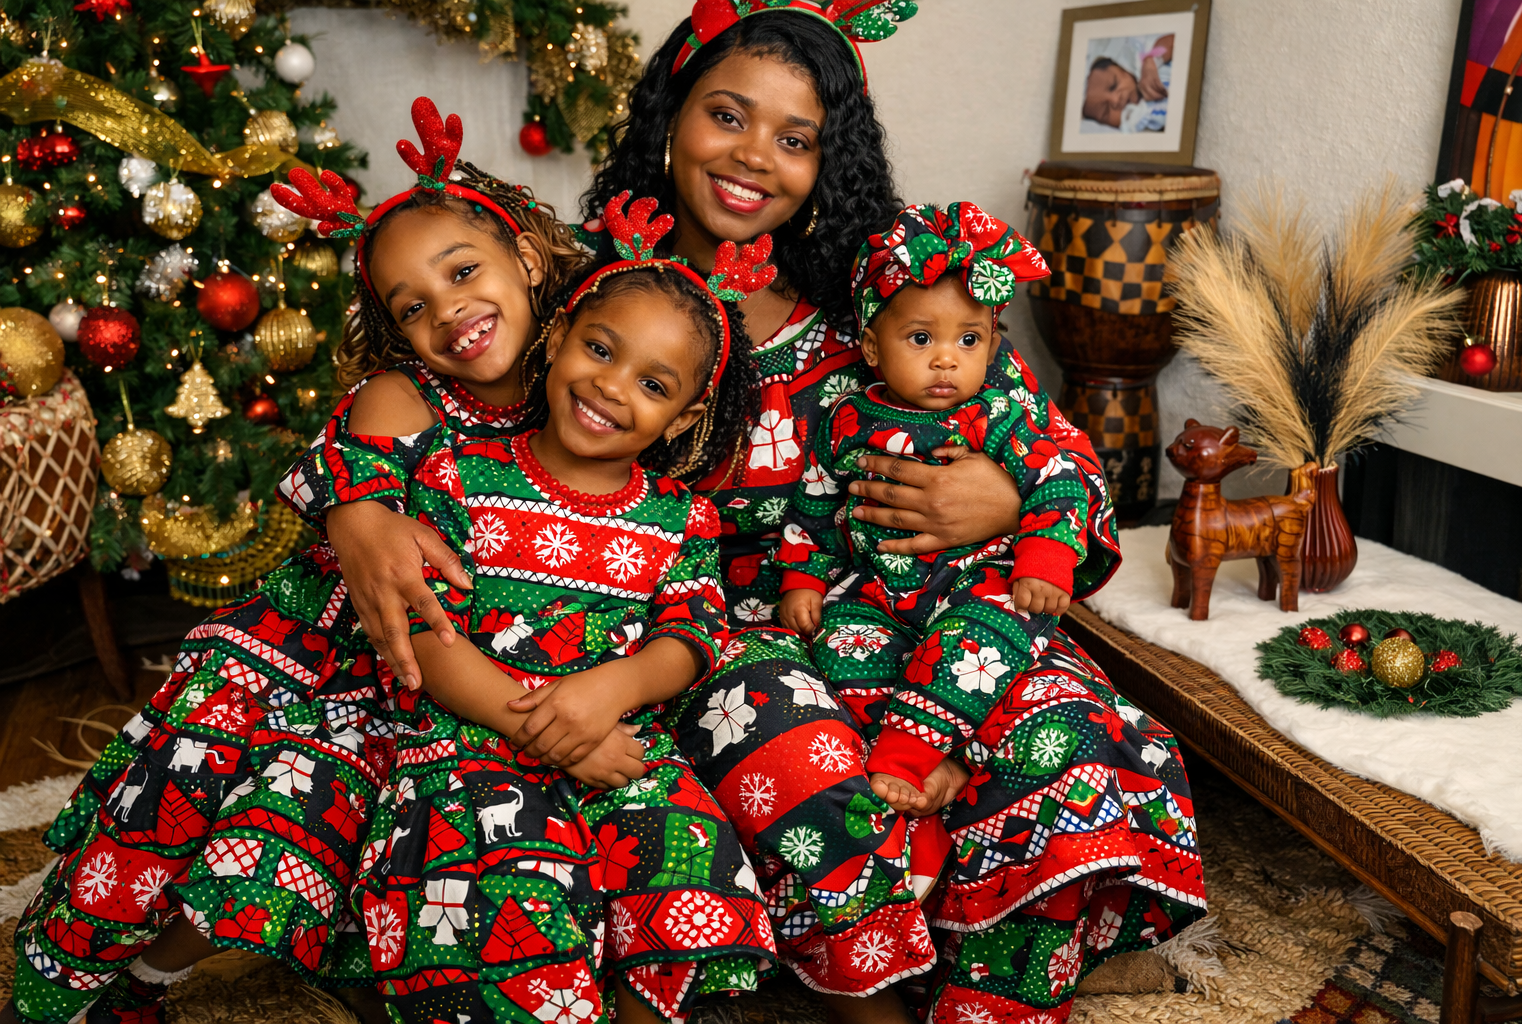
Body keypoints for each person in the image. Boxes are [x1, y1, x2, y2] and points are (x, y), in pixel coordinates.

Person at [307, 5, 1207, 1022]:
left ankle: (1005, 963)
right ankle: (866, 966)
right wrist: (357, 500)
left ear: (832, 161)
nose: (753, 157)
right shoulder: (591, 287)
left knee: (1065, 718)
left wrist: (1004, 494)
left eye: (796, 139)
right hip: (686, 635)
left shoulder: (879, 306)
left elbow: (1062, 455)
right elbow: (426, 371)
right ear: (668, 114)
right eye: (727, 116)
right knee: (784, 729)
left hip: (900, 609)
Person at [2, 100, 587, 1024]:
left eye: (463, 270)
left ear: (526, 257)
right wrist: (363, 509)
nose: (450, 312)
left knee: (290, 866)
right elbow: (356, 469)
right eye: (413, 306)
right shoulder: (404, 395)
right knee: (193, 826)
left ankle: (154, 984)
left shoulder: (580, 390)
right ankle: (69, 984)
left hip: (440, 682)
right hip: (315, 667)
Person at [342, 190, 777, 1024]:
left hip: (615, 737)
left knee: (691, 865)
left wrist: (608, 692)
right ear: (557, 338)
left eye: (651, 383)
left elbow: (692, 634)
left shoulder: (681, 517)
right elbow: (425, 638)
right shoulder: (460, 479)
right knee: (509, 900)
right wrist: (537, 723)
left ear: (683, 415)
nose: (611, 388)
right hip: (473, 740)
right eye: (600, 350)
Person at [774, 201, 1092, 816]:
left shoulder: (996, 414)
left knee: (986, 638)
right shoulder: (846, 421)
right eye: (921, 339)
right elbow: (814, 502)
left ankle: (904, 755)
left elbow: (1057, 477)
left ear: (993, 344)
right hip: (877, 591)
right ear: (871, 346)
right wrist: (801, 578)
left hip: (977, 581)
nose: (947, 358)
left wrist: (1047, 556)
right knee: (835, 648)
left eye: (968, 340)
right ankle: (941, 752)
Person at [1081, 33, 1175, 131]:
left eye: (1114, 85)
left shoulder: (1145, 62)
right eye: (1106, 111)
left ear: (1123, 68)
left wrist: (1152, 61)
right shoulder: (1136, 123)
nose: (1115, 100)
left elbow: (1172, 41)